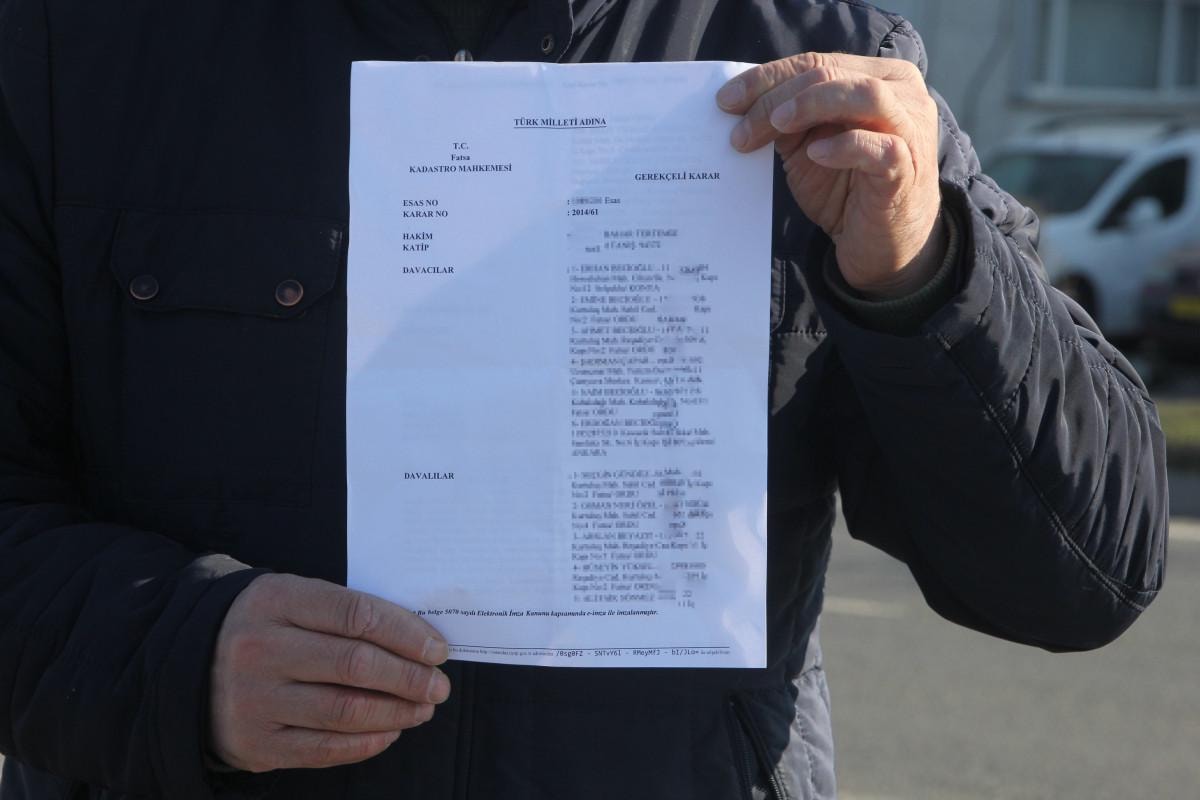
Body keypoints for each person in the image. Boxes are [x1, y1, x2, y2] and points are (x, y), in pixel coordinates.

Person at [0, 1, 1167, 798]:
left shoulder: (816, 52)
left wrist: (924, 271)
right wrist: (172, 654)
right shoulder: (78, 45)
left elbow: (1089, 571)